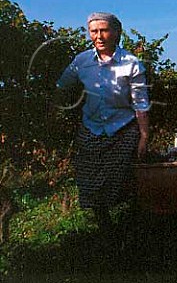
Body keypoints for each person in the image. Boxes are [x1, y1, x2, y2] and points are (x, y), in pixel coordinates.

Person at [56, 12, 150, 230]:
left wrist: (144, 136)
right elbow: (63, 86)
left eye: (104, 30)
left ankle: (130, 224)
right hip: (92, 127)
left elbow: (141, 104)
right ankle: (104, 226)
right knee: (90, 180)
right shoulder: (82, 61)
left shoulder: (131, 64)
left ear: (116, 33)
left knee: (121, 179)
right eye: (94, 31)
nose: (99, 36)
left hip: (122, 129)